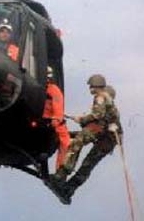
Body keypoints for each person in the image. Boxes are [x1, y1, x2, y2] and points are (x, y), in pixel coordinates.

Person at [49, 75, 122, 204]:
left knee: (76, 144)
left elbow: (96, 116)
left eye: (91, 86)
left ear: (96, 85)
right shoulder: (110, 104)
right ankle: (68, 189)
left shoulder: (101, 97)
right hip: (108, 140)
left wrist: (82, 119)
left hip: (105, 137)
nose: (90, 88)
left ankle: (61, 176)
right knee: (87, 165)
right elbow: (98, 123)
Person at [42, 66, 70, 170]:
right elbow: (58, 111)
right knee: (65, 142)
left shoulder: (41, 89)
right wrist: (57, 120)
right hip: (50, 122)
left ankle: (60, 170)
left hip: (44, 121)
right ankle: (60, 170)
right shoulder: (54, 90)